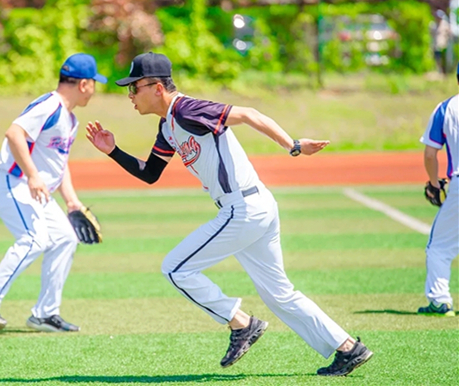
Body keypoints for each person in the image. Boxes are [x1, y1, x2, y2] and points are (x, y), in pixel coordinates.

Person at [85, 52, 373, 376]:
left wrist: (292, 145)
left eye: (134, 88)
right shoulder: (168, 126)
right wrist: (113, 151)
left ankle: (241, 323)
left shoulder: (187, 108)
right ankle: (348, 348)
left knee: (175, 268)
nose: (129, 95)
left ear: (156, 87)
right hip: (252, 207)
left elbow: (249, 114)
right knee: (279, 294)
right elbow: (151, 173)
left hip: (244, 208)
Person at [0, 53, 107, 332]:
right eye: (94, 82)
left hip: (36, 192)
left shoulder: (71, 120)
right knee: (35, 239)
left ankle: (44, 314)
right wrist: (32, 175)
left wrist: (72, 202)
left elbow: (59, 163)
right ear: (83, 84)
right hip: (14, 183)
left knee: (66, 238)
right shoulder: (50, 105)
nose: (95, 88)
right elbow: (14, 133)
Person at [418, 62, 459, 317]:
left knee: (439, 247)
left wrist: (434, 183)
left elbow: (431, 153)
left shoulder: (446, 108)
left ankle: (440, 300)